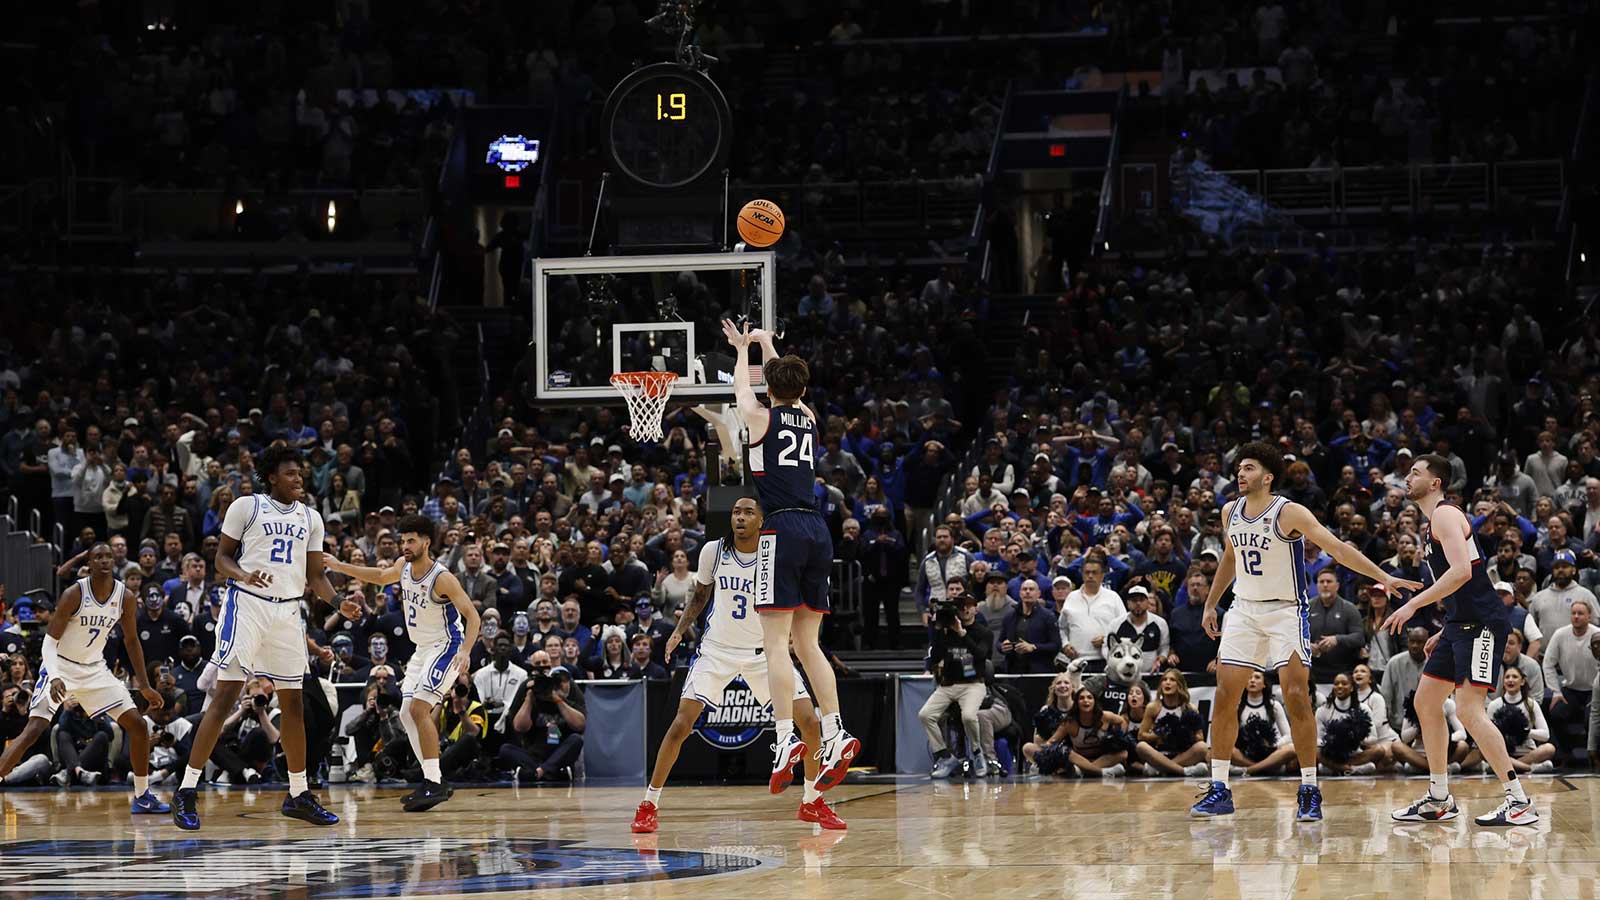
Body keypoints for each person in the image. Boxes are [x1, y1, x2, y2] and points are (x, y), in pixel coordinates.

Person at [1195, 442, 1420, 821]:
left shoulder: (1289, 512)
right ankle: (1219, 787)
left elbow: (1338, 549)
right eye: (1239, 467)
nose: (1240, 473)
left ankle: (1309, 788)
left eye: (1248, 468)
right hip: (1244, 610)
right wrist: (1209, 604)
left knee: (1297, 695)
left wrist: (1382, 576)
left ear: (1267, 477)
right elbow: (1231, 557)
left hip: (1287, 611)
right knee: (1224, 694)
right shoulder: (1229, 511)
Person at [632, 496, 843, 833]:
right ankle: (648, 804)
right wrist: (678, 632)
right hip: (717, 650)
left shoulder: (777, 554)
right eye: (735, 512)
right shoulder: (713, 551)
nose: (740, 518)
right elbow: (700, 596)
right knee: (681, 725)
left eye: (748, 512)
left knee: (809, 722)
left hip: (764, 654)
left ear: (762, 520)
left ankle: (812, 801)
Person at [173, 446, 339, 830]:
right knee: (227, 695)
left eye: (301, 473)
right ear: (273, 477)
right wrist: (244, 575)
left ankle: (298, 793)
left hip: (287, 611)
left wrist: (339, 602)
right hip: (247, 604)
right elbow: (221, 560)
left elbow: (315, 576)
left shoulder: (311, 517)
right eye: (292, 473)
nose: (300, 478)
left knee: (294, 703)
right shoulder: (247, 506)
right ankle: (186, 790)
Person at [723, 320, 857, 794]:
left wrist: (743, 350)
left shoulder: (760, 418)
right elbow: (790, 388)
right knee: (809, 644)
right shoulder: (810, 418)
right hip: (819, 529)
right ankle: (836, 731)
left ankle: (784, 738)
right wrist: (768, 345)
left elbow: (744, 390)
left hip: (780, 527)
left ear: (772, 386)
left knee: (775, 643)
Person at [1384, 453, 1537, 826]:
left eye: (1416, 473)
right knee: (1426, 701)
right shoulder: (1431, 523)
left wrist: (1411, 606)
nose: (1408, 477)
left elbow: (1460, 574)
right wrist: (1445, 627)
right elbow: (1462, 578)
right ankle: (1438, 797)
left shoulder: (1446, 514)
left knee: (1469, 709)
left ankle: (1518, 801)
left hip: (1482, 624)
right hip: (1460, 623)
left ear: (1435, 483)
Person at [322, 513, 481, 812]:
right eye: (402, 540)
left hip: (447, 646)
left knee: (420, 708)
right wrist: (339, 566)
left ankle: (434, 783)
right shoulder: (403, 566)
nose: (405, 545)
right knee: (407, 714)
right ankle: (434, 780)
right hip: (422, 650)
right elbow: (380, 577)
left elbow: (473, 616)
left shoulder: (442, 577)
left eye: (411, 540)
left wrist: (466, 651)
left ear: (426, 542)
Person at [0, 543, 168, 813]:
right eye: (98, 556)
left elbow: (132, 640)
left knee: (138, 725)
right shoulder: (74, 593)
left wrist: (145, 685)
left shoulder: (124, 596)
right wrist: (53, 675)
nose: (104, 561)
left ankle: (142, 796)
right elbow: (49, 644)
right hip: (61, 667)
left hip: (94, 670)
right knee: (32, 731)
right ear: (89, 563)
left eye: (108, 557)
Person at [921, 592, 993, 778]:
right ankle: (945, 756)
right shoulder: (946, 631)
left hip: (973, 684)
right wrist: (938, 629)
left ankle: (977, 753)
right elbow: (936, 657)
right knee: (925, 715)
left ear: (976, 608)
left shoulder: (984, 632)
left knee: (968, 716)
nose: (966, 609)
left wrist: (962, 634)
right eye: (962, 606)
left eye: (969, 605)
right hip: (948, 685)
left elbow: (981, 656)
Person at [1464, 667, 1555, 774]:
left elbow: (1545, 735)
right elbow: (1486, 734)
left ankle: (1505, 766)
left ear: (1522, 681)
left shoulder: (1531, 704)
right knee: (1482, 751)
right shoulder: (1495, 705)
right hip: (1502, 752)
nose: (1510, 680)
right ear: (1503, 682)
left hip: (1527, 752)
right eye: (1507, 677)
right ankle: (1529, 768)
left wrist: (1524, 732)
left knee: (1549, 748)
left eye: (1515, 677)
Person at [1134, 669, 1208, 777]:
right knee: (1141, 746)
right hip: (1160, 753)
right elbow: (1141, 736)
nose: (1167, 682)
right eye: (1164, 679)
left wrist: (1185, 733)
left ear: (1179, 686)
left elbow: (1200, 737)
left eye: (1172, 680)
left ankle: (1162, 769)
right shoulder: (1153, 707)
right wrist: (1159, 735)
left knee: (1202, 747)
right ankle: (1184, 771)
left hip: (1183, 754)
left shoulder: (1189, 708)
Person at [1230, 669, 1297, 775]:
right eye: (1249, 678)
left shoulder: (1274, 706)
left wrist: (1272, 744)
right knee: (1229, 750)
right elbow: (1230, 735)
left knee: (1292, 749)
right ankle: (1264, 768)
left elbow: (1289, 736)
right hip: (1246, 753)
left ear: (1264, 684)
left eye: (1257, 677)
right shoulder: (1237, 707)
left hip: (1269, 753)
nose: (1252, 681)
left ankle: (1250, 770)